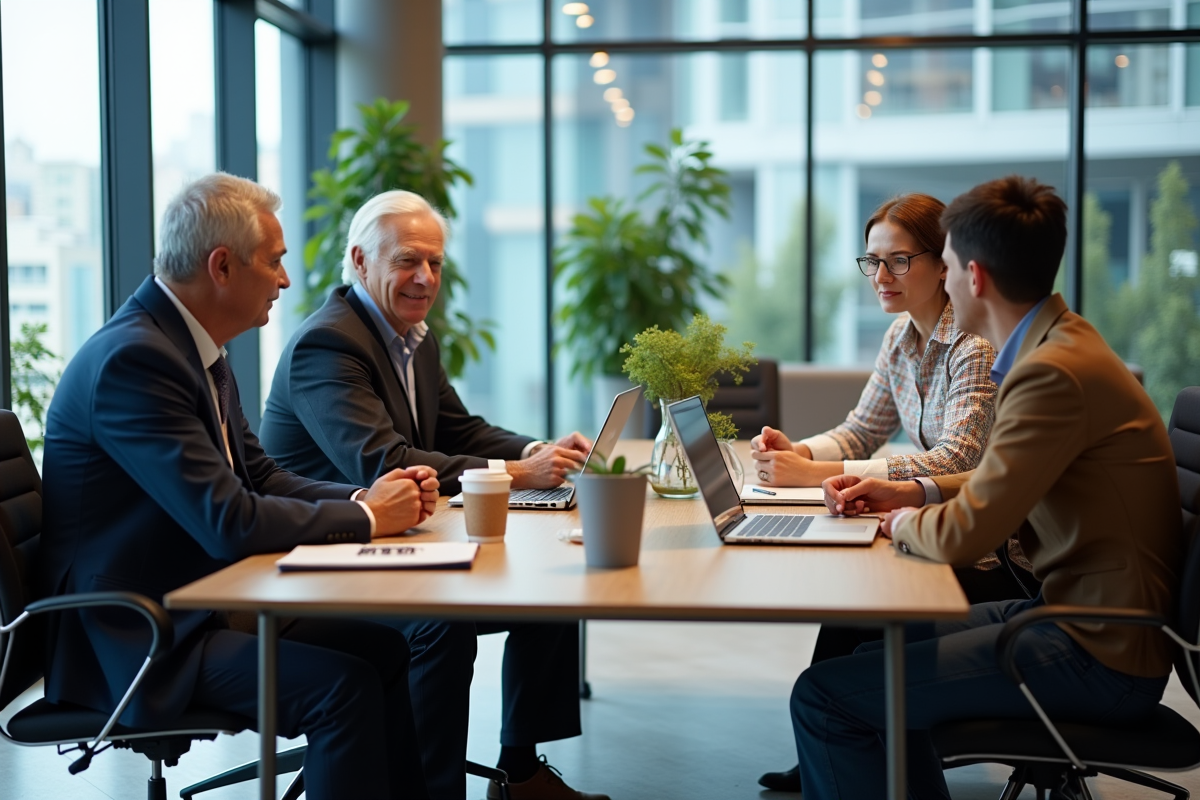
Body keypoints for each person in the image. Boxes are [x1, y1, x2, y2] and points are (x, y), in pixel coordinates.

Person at [38, 174, 439, 800]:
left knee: (383, 652)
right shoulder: (135, 362)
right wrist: (367, 522)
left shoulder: (196, 349)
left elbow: (262, 476)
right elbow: (227, 522)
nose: (285, 280)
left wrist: (366, 499)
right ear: (221, 266)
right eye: (274, 262)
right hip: (139, 636)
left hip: (196, 600)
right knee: (344, 686)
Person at [793, 176, 1183, 799]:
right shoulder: (1062, 347)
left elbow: (971, 532)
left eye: (941, 265)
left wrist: (897, 523)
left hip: (1096, 650)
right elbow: (994, 481)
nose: (940, 281)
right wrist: (911, 495)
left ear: (972, 276)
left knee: (824, 697)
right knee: (870, 657)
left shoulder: (1051, 374)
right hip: (1072, 617)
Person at [260, 190, 607, 800]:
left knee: (550, 580)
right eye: (407, 261)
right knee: (439, 622)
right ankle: (431, 790)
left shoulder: (412, 337)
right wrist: (518, 475)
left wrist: (535, 451)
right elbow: (385, 462)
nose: (425, 278)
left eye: (436, 263)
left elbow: (458, 430)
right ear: (361, 261)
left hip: (399, 544)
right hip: (321, 562)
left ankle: (518, 774)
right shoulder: (328, 345)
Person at [754, 194, 1032, 794]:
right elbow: (862, 428)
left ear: (944, 264)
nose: (881, 277)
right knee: (851, 597)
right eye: (873, 261)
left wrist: (832, 478)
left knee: (863, 597)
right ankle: (831, 747)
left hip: (992, 556)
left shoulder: (973, 346)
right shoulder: (902, 337)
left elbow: (962, 458)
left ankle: (841, 740)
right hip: (937, 529)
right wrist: (800, 453)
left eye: (899, 261)